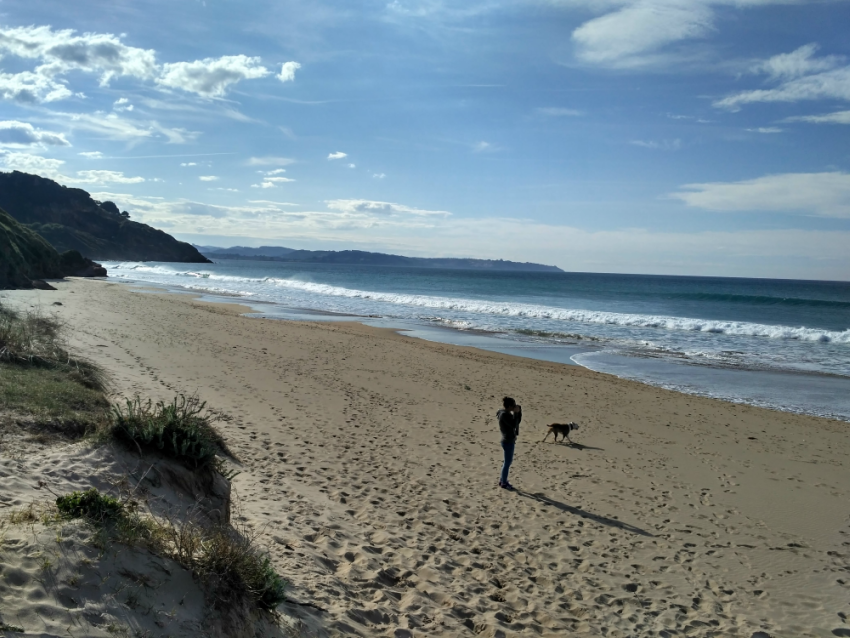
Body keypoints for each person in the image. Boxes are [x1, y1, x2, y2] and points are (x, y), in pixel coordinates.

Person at [497, 396, 521, 490]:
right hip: (507, 441)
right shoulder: (504, 415)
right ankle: (503, 482)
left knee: (507, 462)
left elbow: (517, 422)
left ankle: (502, 479)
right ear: (509, 406)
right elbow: (514, 424)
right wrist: (515, 413)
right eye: (513, 405)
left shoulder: (505, 413)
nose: (514, 407)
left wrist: (518, 412)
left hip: (508, 440)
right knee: (507, 463)